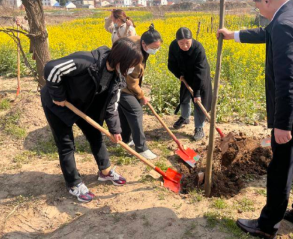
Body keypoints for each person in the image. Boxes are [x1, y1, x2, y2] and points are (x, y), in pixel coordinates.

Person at [218, 0, 293, 238]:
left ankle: (267, 225)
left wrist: (282, 124)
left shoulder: (284, 25)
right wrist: (233, 35)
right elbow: (266, 33)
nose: (259, 12)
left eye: (258, 7)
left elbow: (289, 80)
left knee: (281, 167)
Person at [41, 38, 143, 203]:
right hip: (58, 104)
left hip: (84, 104)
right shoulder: (86, 61)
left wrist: (115, 130)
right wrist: (57, 95)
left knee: (96, 136)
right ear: (121, 59)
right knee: (66, 145)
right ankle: (74, 183)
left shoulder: (118, 77)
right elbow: (51, 68)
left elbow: (111, 106)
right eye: (131, 64)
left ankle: (105, 171)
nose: (131, 69)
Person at [118, 24, 162, 160]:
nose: (156, 50)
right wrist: (141, 96)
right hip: (121, 85)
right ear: (143, 43)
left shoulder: (139, 39)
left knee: (124, 111)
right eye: (153, 47)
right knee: (136, 111)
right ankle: (141, 148)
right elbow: (132, 82)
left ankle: (125, 139)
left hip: (122, 81)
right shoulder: (135, 58)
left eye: (158, 47)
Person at [168, 27, 212, 141]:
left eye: (187, 43)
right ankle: (185, 117)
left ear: (191, 39)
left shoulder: (198, 48)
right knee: (184, 98)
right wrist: (179, 75)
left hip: (200, 77)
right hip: (185, 76)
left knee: (198, 101)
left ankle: (199, 128)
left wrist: (197, 92)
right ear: (177, 41)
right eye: (181, 43)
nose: (185, 46)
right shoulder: (173, 46)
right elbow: (171, 64)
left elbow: (200, 71)